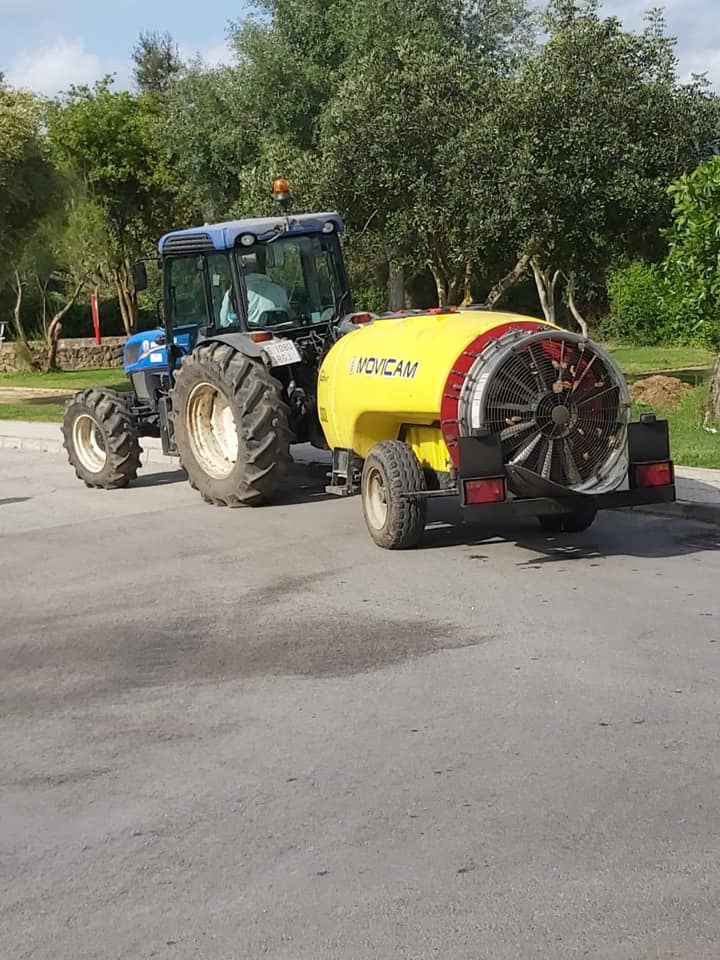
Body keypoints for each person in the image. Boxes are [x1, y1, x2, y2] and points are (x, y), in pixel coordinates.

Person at [219, 262, 291, 328]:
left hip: (249, 337)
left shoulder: (234, 292)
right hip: (279, 334)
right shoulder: (278, 289)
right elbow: (287, 314)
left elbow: (224, 322)